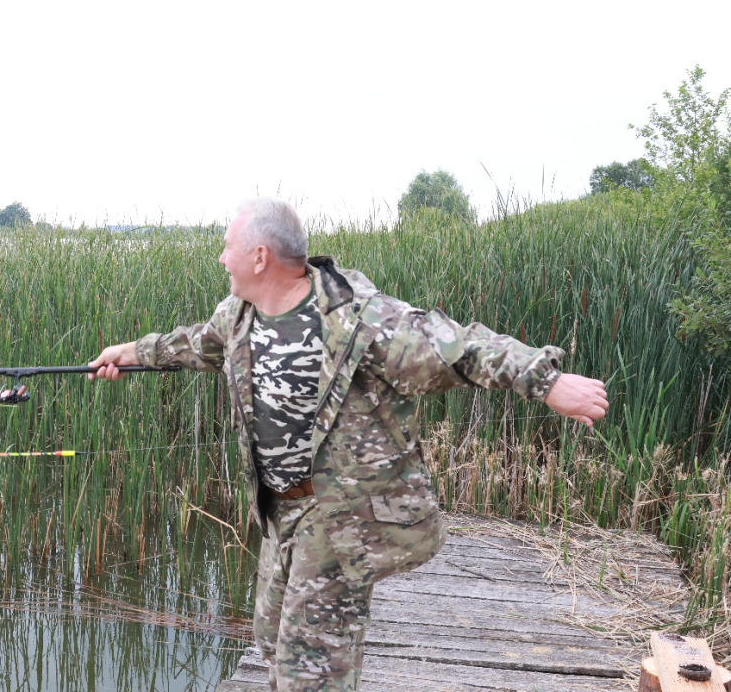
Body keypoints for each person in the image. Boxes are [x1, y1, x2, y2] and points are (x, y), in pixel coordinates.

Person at [88, 197, 608, 692]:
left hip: (338, 515)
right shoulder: (239, 315)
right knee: (273, 648)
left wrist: (546, 382)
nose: (221, 257)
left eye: (227, 245)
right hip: (278, 514)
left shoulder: (359, 319)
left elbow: (459, 345)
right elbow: (195, 344)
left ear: (259, 255)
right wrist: (128, 353)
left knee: (311, 672)